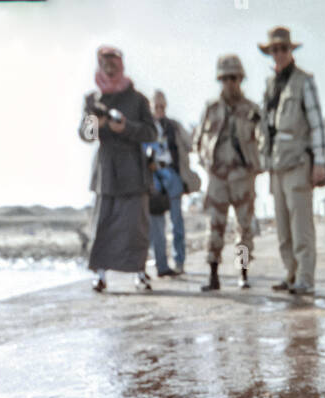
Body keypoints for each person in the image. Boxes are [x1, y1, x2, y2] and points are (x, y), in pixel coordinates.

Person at [257, 26, 325, 297]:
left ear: (291, 51)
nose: (278, 53)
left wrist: (319, 161)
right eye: (274, 49)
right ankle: (290, 273)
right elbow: (265, 126)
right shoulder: (269, 86)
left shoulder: (303, 81)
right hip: (276, 164)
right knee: (283, 226)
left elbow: (317, 124)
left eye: (283, 49)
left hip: (299, 162)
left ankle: (305, 278)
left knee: (301, 226)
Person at [79, 45, 156, 293]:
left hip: (133, 170)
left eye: (113, 61)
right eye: (104, 62)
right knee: (102, 226)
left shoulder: (138, 99)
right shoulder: (92, 99)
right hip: (105, 173)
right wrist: (96, 122)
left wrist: (126, 128)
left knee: (136, 227)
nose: (109, 66)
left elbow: (151, 133)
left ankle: (140, 273)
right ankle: (100, 276)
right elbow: (86, 135)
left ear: (121, 64)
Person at [194, 55, 262, 292]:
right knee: (214, 226)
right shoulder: (211, 108)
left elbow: (263, 139)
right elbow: (199, 141)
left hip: (243, 177)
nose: (229, 83)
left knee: (244, 230)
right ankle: (213, 274)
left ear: (241, 79)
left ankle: (243, 273)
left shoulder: (252, 110)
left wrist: (256, 165)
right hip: (218, 177)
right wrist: (207, 163)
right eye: (224, 78)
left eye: (233, 78)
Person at [146, 91, 199, 278]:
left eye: (162, 106)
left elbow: (191, 144)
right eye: (156, 106)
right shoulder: (144, 127)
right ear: (151, 107)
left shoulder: (174, 126)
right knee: (157, 224)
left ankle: (179, 262)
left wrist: (196, 133)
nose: (159, 109)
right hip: (153, 179)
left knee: (177, 222)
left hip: (172, 175)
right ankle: (161, 265)